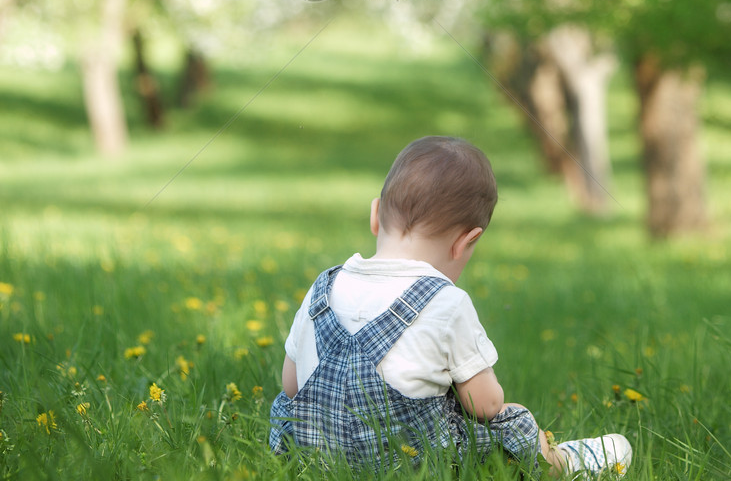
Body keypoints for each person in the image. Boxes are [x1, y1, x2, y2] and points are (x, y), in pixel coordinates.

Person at [269, 135, 632, 475]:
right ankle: (562, 465)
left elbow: (290, 385)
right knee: (512, 420)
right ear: (466, 242)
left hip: (317, 461)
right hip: (416, 467)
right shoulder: (446, 301)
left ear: (376, 216)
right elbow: (484, 405)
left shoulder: (325, 285)